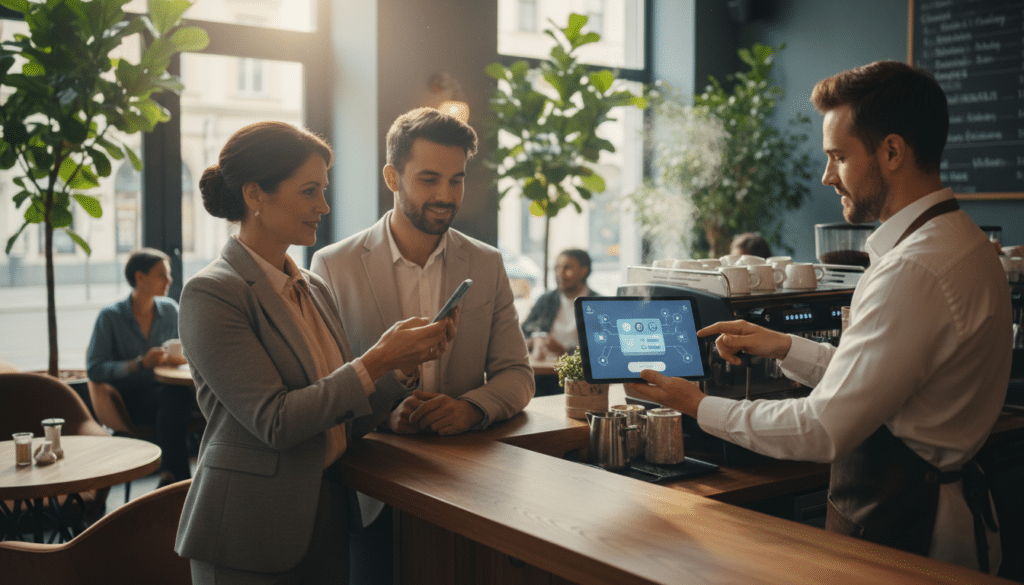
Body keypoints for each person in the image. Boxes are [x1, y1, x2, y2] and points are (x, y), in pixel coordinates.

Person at [627, 61, 1011, 573]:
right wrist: (787, 347)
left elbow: (823, 427)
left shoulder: (913, 269)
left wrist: (698, 405)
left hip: (910, 534)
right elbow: (884, 381)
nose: (827, 176)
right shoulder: (964, 243)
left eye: (839, 157)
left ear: (892, 151)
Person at [174, 121, 452, 584]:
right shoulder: (212, 293)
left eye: (323, 190)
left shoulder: (314, 288)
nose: (324, 206)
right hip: (250, 533)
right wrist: (378, 358)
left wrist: (402, 367)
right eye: (309, 191)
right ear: (255, 196)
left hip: (325, 514)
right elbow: (277, 422)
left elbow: (341, 417)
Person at [310, 107, 534, 585]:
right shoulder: (333, 266)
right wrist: (390, 411)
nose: (445, 196)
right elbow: (326, 389)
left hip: (469, 489)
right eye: (429, 179)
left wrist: (470, 409)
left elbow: (518, 374)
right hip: (373, 488)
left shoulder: (488, 263)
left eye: (457, 180)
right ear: (392, 176)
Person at [87, 248, 196, 487]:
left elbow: (188, 349)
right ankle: (181, 481)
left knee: (176, 397)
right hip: (127, 401)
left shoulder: (169, 310)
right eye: (162, 274)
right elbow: (95, 369)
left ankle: (172, 478)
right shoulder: (110, 317)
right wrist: (139, 364)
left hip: (166, 394)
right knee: (176, 400)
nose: (169, 280)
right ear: (140, 277)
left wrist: (179, 358)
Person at [521, 248, 600, 358]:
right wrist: (532, 341)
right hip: (544, 367)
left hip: (578, 372)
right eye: (557, 268)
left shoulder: (598, 303)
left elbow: (600, 346)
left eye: (567, 268)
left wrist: (565, 350)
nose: (560, 274)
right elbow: (523, 331)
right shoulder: (546, 300)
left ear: (583, 271)